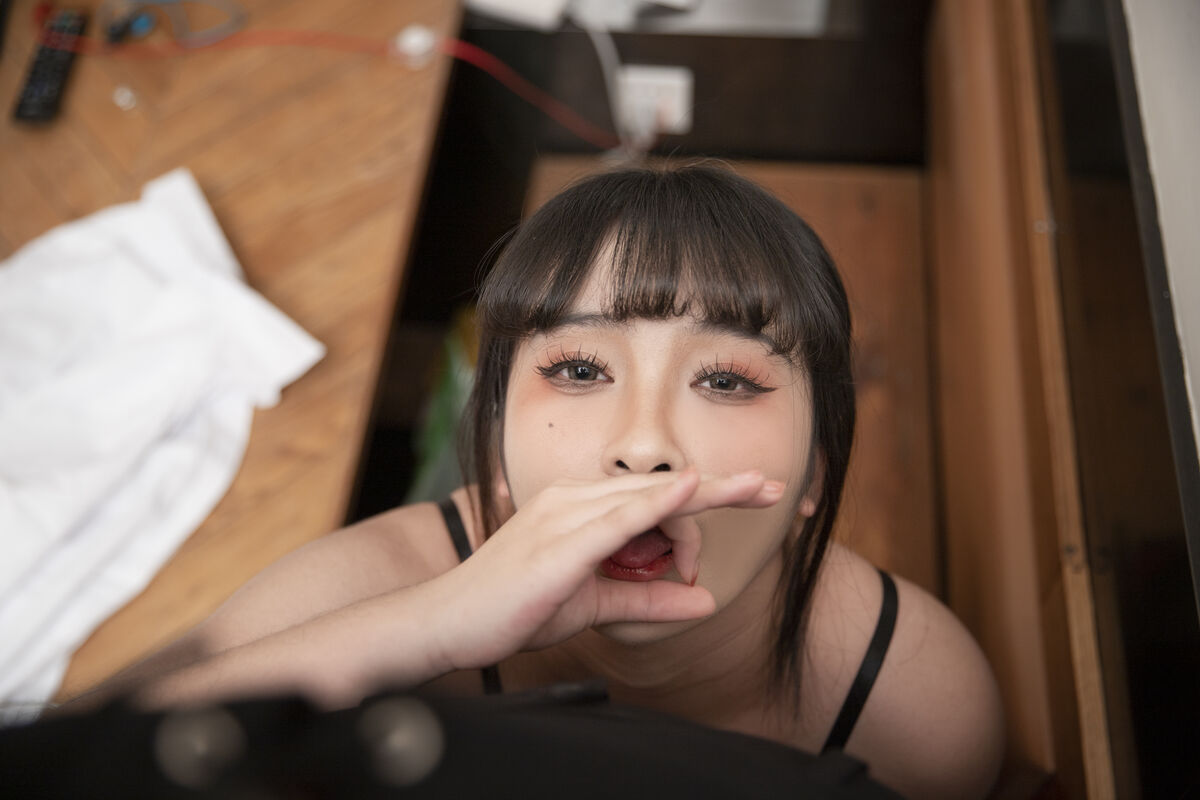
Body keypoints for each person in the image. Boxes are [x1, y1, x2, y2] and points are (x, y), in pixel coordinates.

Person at [73, 163, 1004, 799]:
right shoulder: (369, 590)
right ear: (495, 444)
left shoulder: (913, 702)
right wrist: (429, 625)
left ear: (815, 476)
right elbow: (71, 765)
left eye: (725, 380)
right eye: (580, 369)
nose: (642, 446)